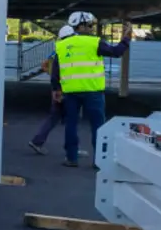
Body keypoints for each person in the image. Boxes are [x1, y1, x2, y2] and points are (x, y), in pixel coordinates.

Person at [55, 11, 131, 167]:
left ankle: (71, 158)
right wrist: (126, 38)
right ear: (81, 26)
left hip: (70, 92)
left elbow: (56, 70)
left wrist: (56, 89)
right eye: (90, 25)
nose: (91, 28)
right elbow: (116, 52)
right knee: (98, 126)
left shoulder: (61, 45)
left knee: (71, 125)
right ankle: (99, 160)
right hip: (93, 92)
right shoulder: (94, 42)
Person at [28, 24, 75, 155]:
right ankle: (72, 150)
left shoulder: (57, 49)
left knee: (54, 117)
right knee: (72, 118)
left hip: (57, 88)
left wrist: (55, 88)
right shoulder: (68, 50)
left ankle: (37, 141)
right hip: (67, 88)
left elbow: (46, 66)